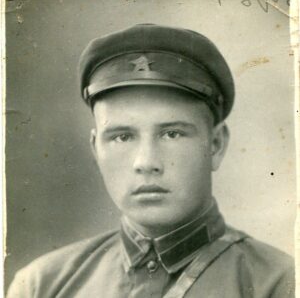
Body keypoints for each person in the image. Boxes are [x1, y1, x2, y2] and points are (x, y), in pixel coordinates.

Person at [7, 24, 294, 298]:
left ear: (216, 145)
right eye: (122, 137)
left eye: (172, 134)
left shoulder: (281, 283)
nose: (146, 162)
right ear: (96, 150)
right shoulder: (41, 285)